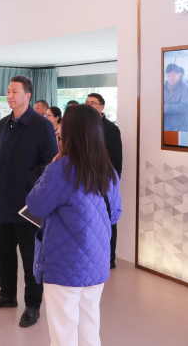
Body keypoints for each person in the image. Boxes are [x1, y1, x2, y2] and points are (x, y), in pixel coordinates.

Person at [26, 104, 122, 346]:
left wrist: (49, 169)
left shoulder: (60, 168)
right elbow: (114, 214)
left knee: (63, 334)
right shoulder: (107, 169)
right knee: (90, 329)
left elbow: (35, 205)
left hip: (63, 265)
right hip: (97, 262)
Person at [0, 76, 57, 328]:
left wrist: (24, 180)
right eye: (8, 91)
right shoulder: (4, 123)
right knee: (4, 252)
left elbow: (49, 162)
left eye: (15, 91)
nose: (10, 95)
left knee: (30, 257)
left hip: (28, 204)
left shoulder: (41, 125)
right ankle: (7, 294)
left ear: (27, 95)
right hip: (2, 200)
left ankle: (32, 304)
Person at [85, 93, 123, 268]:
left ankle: (110, 258)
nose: (89, 106)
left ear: (102, 107)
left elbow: (116, 159)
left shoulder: (110, 129)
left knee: (108, 219)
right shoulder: (84, 126)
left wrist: (113, 181)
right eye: (87, 103)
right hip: (86, 180)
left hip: (105, 180)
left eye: (93, 103)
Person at [164, 63, 188, 132]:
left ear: (179, 74)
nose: (171, 78)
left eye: (173, 75)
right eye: (168, 75)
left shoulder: (186, 88)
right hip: (166, 125)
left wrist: (164, 108)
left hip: (181, 126)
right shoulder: (164, 87)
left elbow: (184, 107)